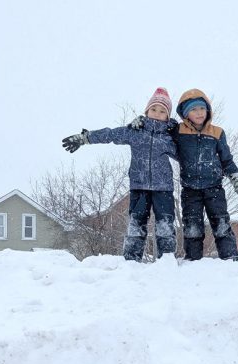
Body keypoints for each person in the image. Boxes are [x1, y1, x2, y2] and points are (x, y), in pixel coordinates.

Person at [61, 88, 178, 262]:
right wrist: (86, 138)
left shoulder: (170, 136)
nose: (157, 114)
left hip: (164, 188)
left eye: (162, 111)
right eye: (153, 109)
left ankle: (167, 262)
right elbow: (111, 134)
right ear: (146, 111)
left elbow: (188, 154)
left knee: (165, 225)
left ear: (167, 116)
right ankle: (131, 262)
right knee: (136, 225)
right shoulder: (135, 131)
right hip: (139, 186)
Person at [173, 88, 238, 261]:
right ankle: (193, 261)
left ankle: (230, 260)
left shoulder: (217, 133)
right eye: (193, 109)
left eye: (201, 108)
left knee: (221, 224)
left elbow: (226, 160)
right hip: (190, 190)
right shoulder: (178, 131)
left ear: (207, 110)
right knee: (192, 227)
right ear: (185, 113)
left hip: (214, 188)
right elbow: (159, 129)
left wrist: (237, 180)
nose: (199, 113)